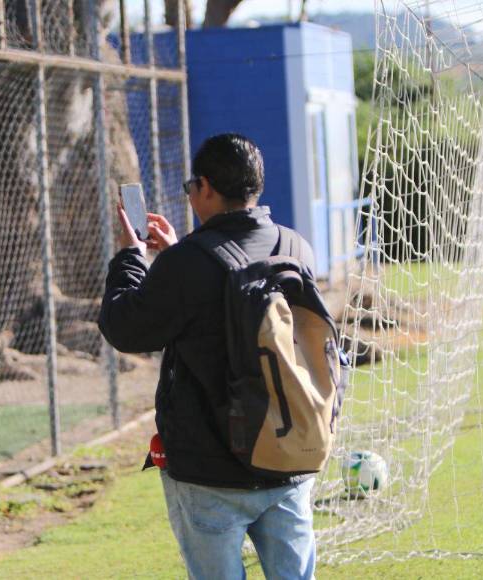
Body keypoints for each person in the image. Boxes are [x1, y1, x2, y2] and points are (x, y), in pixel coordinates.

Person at [98, 133, 317, 580]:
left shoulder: (186, 263)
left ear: (206, 188)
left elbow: (124, 326)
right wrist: (182, 249)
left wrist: (131, 256)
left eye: (189, 187)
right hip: (289, 455)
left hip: (209, 470)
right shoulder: (295, 247)